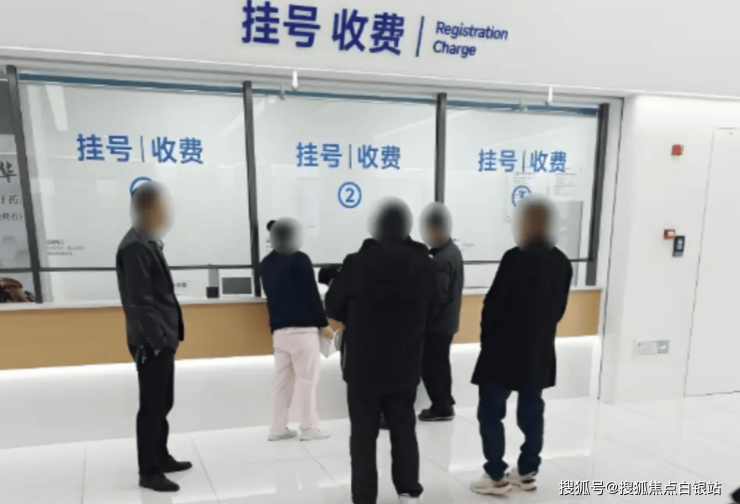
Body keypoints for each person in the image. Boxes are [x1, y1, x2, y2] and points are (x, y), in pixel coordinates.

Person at [326, 198, 439, 504]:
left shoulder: (356, 263)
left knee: (363, 436)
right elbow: (434, 310)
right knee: (404, 429)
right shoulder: (426, 265)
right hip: (405, 362)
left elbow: (333, 306)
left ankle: (365, 497)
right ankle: (409, 492)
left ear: (374, 227)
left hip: (363, 365)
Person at [470, 196, 572, 496]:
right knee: (532, 412)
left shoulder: (514, 258)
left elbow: (493, 305)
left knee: (491, 413)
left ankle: (495, 475)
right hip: (538, 350)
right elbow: (559, 309)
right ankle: (527, 471)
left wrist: (487, 339)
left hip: (502, 349)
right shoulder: (562, 262)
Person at [116, 182, 191, 493]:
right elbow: (141, 302)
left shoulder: (147, 241)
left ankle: (161, 457)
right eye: (161, 209)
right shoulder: (134, 246)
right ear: (146, 209)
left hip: (161, 337)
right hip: (151, 342)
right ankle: (149, 471)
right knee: (151, 407)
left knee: (163, 402)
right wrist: (158, 342)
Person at [261, 218, 333, 442]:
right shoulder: (301, 259)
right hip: (303, 331)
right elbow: (311, 295)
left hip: (279, 331)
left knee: (282, 382)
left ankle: (278, 428)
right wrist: (323, 324)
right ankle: (309, 428)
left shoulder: (266, 263)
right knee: (307, 381)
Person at [418, 202, 464, 422]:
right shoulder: (452, 251)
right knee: (440, 365)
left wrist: (422, 321)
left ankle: (441, 406)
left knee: (432, 366)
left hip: (437, 325)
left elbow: (437, 297)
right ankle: (445, 402)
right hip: (447, 322)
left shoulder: (441, 260)